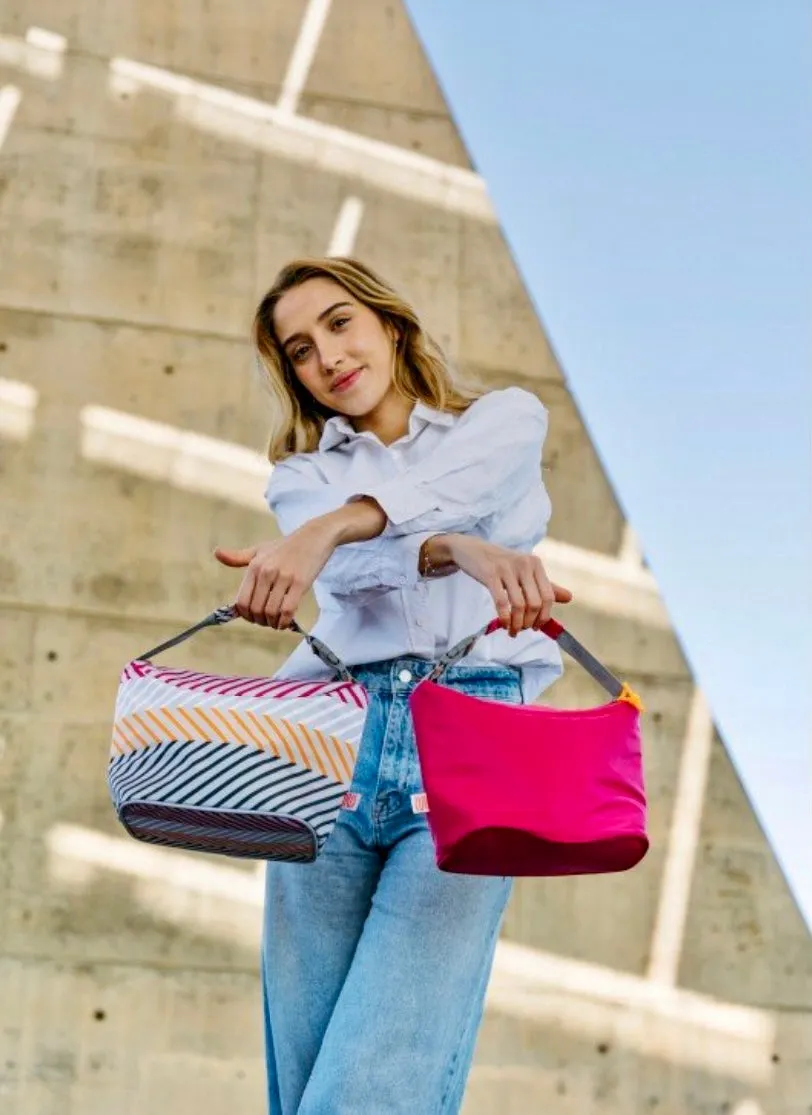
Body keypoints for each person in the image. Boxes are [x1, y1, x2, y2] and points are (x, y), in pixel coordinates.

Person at [214, 257, 572, 1115]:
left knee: (383, 1075)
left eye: (339, 323)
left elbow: (445, 490)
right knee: (304, 1077)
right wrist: (457, 548)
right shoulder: (298, 477)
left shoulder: (504, 420)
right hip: (328, 741)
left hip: (474, 728)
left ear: (390, 323)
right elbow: (353, 576)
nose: (326, 357)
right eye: (299, 350)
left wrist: (335, 528)